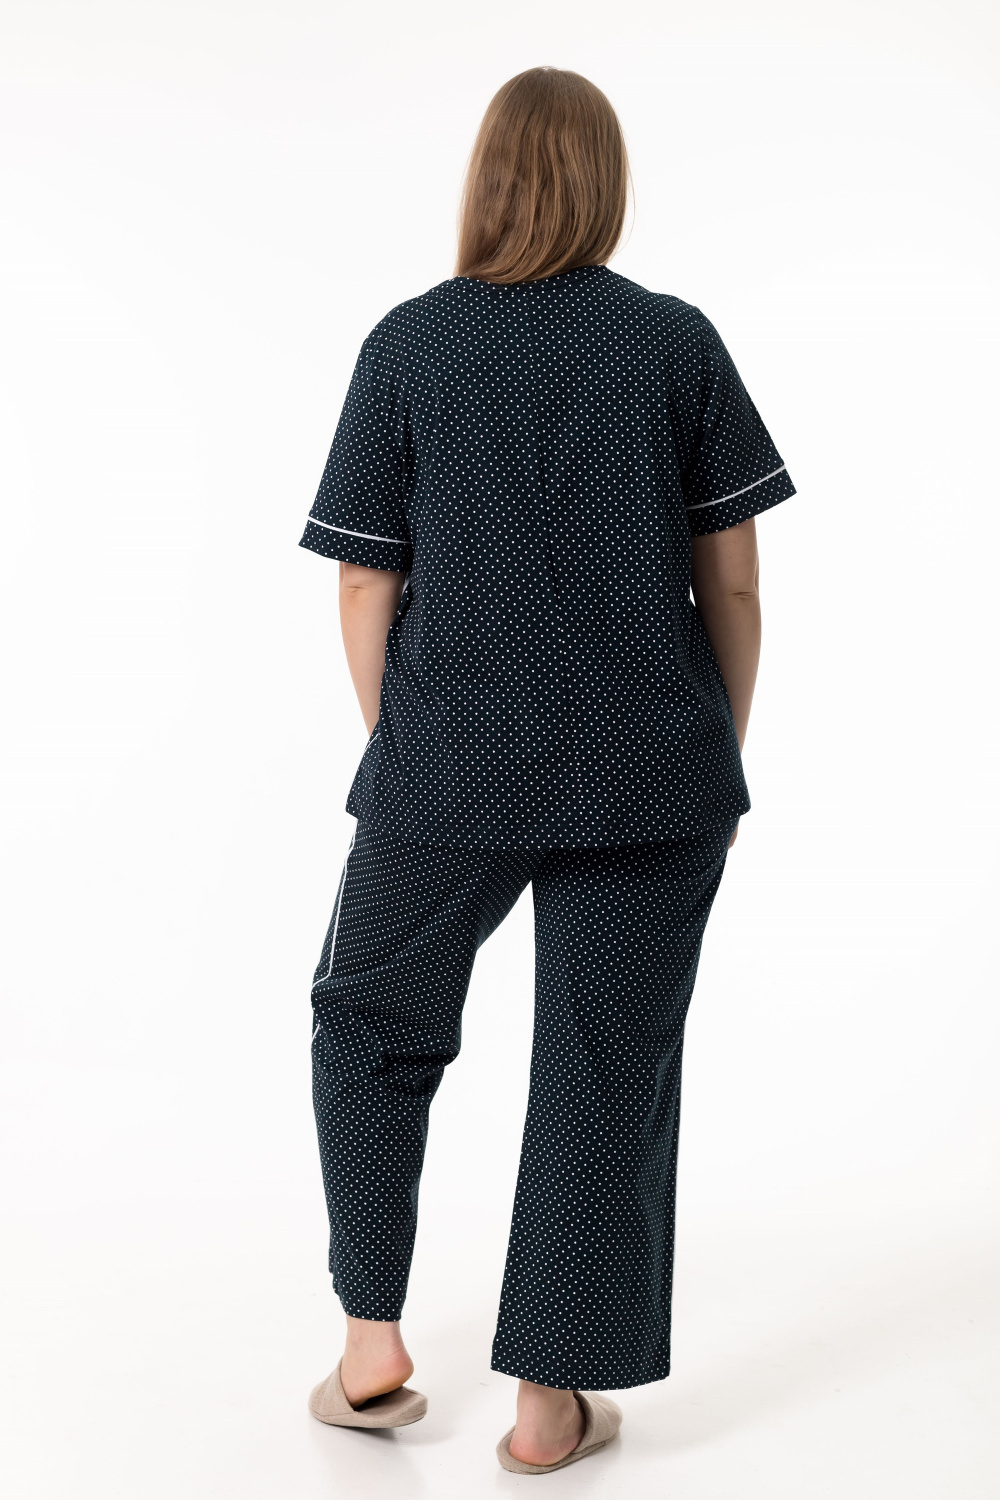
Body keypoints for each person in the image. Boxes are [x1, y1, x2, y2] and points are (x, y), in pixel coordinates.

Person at [298, 65, 796, 1476]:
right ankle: (546, 1407)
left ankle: (372, 1347)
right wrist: (715, 751)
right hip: (652, 766)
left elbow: (363, 581)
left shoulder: (410, 345)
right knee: (603, 1064)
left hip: (449, 759)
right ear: (606, 184)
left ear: (486, 179)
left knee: (369, 1018)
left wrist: (402, 738)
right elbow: (734, 585)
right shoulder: (676, 344)